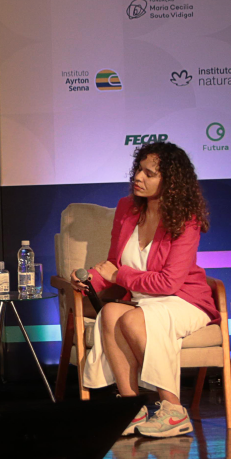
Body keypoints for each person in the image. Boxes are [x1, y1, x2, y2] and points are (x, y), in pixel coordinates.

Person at [71, 142, 216, 438]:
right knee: (111, 312)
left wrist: (119, 274)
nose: (138, 177)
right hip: (145, 300)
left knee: (132, 319)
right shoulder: (127, 210)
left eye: (149, 174)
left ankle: (173, 410)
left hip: (184, 300)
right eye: (139, 169)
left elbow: (168, 283)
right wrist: (89, 280)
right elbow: (114, 264)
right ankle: (131, 407)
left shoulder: (186, 220)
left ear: (171, 183)